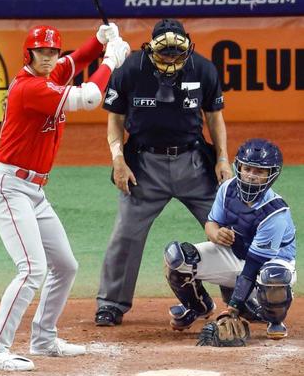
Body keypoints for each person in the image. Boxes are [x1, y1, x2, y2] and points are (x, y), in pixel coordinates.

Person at [0, 23, 130, 371]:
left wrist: (99, 39)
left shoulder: (52, 71)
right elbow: (90, 97)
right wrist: (112, 60)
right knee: (31, 269)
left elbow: (77, 60)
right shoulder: (30, 88)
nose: (48, 58)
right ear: (28, 54)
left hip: (34, 191)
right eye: (41, 52)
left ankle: (43, 339)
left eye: (52, 52)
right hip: (9, 189)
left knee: (65, 265)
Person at [95, 18, 233, 327]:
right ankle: (111, 303)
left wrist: (222, 158)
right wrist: (118, 160)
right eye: (164, 53)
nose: (170, 59)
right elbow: (115, 121)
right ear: (152, 49)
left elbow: (215, 118)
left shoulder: (203, 69)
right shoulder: (130, 69)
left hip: (193, 163)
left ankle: (240, 299)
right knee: (126, 234)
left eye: (176, 53)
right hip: (144, 165)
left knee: (225, 228)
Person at [164, 139, 296, 339]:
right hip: (236, 254)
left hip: (268, 265)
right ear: (239, 167)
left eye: (259, 172)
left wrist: (232, 308)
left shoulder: (275, 213)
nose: (251, 176)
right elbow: (211, 223)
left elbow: (252, 266)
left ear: (271, 175)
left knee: (273, 278)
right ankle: (199, 307)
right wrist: (215, 234)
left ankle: (272, 318)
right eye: (247, 169)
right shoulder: (227, 189)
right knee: (177, 258)